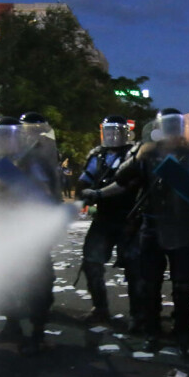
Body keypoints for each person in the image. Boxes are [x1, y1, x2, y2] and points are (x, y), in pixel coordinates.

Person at [90, 109, 189, 354]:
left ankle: (183, 332)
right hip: (151, 225)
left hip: (181, 227)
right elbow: (121, 179)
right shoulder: (147, 153)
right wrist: (100, 193)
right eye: (167, 127)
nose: (171, 132)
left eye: (175, 127)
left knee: (183, 286)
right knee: (149, 284)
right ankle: (151, 331)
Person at [0, 114, 60, 354]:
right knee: (5, 283)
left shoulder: (33, 161)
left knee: (38, 285)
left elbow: (46, 194)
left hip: (30, 233)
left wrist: (16, 181)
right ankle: (12, 326)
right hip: (2, 231)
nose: (2, 141)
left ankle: (38, 334)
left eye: (7, 135)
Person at [76, 115, 139, 327]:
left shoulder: (133, 154)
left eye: (117, 131)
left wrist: (99, 194)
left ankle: (137, 316)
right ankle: (100, 309)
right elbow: (86, 177)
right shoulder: (97, 155)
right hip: (103, 217)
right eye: (109, 131)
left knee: (135, 269)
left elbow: (127, 184)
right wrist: (82, 190)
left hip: (128, 217)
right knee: (91, 262)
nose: (112, 135)